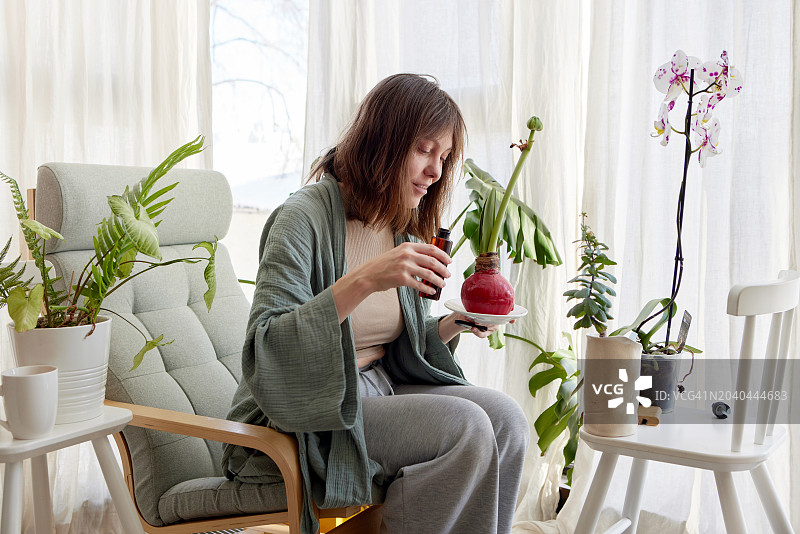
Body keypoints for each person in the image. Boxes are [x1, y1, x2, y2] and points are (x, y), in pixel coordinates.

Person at [223, 73, 529, 534]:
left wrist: (452, 324)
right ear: (383, 141)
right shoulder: (300, 218)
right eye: (425, 150)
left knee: (506, 419)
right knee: (465, 426)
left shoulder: (398, 221)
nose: (436, 171)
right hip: (307, 413)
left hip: (380, 388)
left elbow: (392, 343)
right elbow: (268, 348)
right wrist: (366, 278)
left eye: (444, 157)